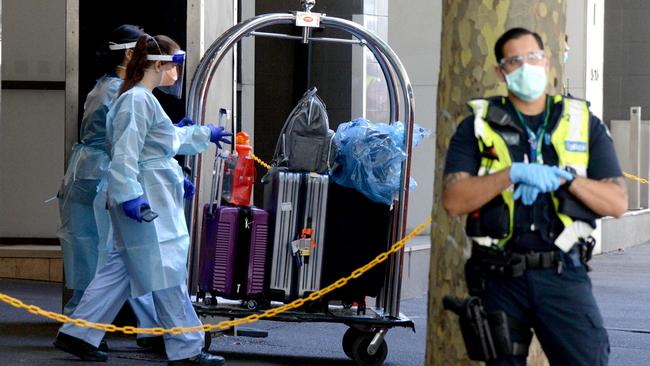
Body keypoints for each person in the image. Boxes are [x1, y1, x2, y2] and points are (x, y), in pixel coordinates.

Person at [442, 27, 627, 366]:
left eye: (533, 57)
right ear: (501, 71)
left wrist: (566, 179)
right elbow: (453, 200)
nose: (526, 66)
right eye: (515, 61)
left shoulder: (583, 123)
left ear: (547, 61)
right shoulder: (477, 126)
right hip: (498, 277)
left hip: (563, 273)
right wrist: (511, 174)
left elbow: (616, 203)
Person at [53, 34, 231, 365]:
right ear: (158, 64)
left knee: (120, 266)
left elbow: (162, 141)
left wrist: (203, 135)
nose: (177, 74)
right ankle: (187, 347)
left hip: (147, 194)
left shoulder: (141, 99)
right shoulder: (136, 100)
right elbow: (125, 153)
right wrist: (130, 195)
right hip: (146, 199)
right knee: (166, 267)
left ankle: (77, 333)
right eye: (175, 64)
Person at [55, 24, 164, 351]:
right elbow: (135, 143)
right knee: (122, 257)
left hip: (83, 175)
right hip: (107, 178)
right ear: (130, 54)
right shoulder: (125, 93)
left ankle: (81, 327)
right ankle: (150, 330)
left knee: (89, 256)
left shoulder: (102, 87)